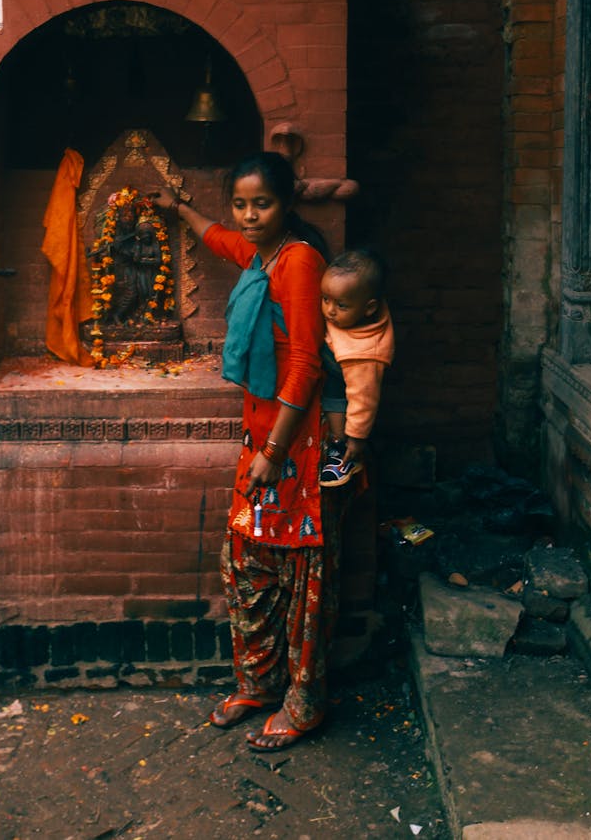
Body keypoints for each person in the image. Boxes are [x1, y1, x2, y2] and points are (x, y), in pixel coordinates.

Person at [152, 152, 341, 753]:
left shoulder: (300, 263)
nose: (250, 216)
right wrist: (180, 210)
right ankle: (258, 682)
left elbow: (308, 365)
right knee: (248, 563)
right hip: (260, 439)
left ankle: (304, 702)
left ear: (287, 204)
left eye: (263, 204)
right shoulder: (262, 256)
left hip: (299, 443)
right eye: (242, 204)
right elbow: (224, 242)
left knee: (304, 572)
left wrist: (275, 449)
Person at [319, 248, 395, 487]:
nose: (330, 310)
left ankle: (342, 451)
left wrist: (356, 438)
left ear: (369, 308)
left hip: (346, 379)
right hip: (337, 360)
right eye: (325, 299)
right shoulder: (353, 311)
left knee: (338, 398)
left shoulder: (365, 357)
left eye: (340, 305)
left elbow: (364, 400)